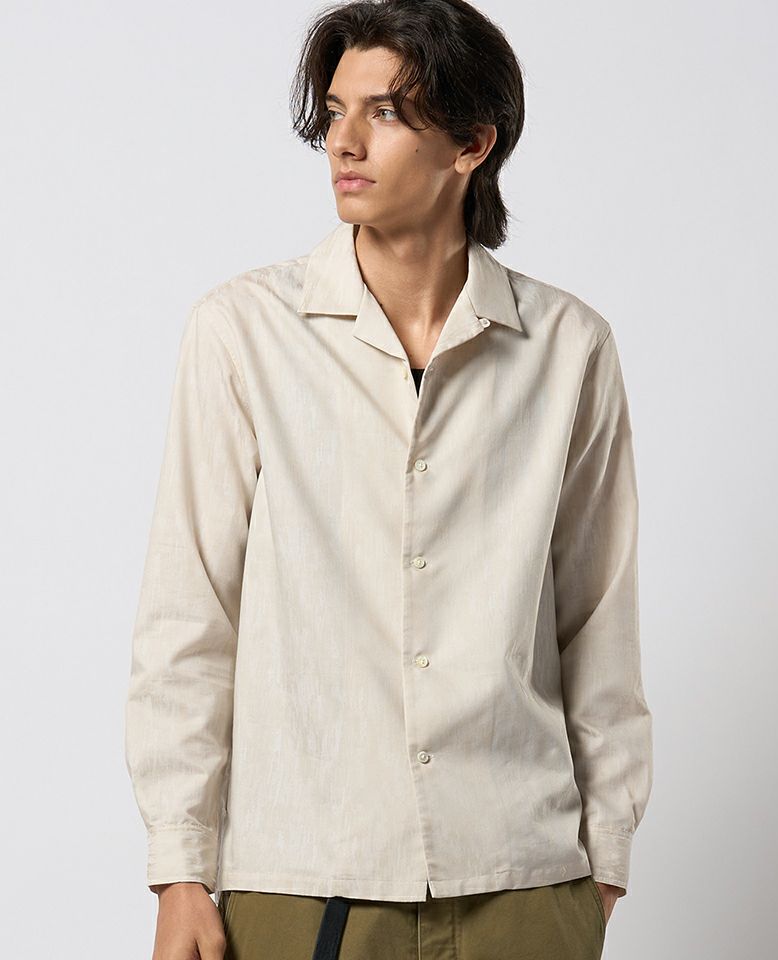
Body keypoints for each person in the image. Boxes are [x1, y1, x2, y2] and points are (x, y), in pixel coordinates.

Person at [124, 1, 654, 958]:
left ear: (472, 145)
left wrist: (603, 857)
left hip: (522, 875)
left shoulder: (569, 347)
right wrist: (180, 867)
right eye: (335, 111)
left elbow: (597, 618)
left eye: (387, 113)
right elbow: (190, 616)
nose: (345, 141)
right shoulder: (242, 332)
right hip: (304, 876)